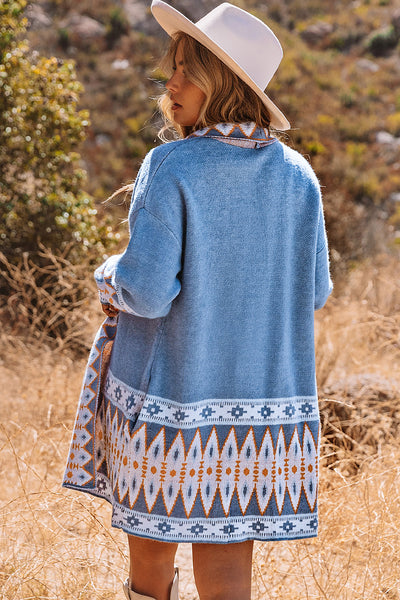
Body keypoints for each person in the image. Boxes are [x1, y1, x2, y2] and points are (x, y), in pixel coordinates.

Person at [62, 1, 333, 599]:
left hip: (168, 406)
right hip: (261, 416)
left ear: (225, 84)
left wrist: (108, 275)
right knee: (229, 569)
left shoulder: (171, 165)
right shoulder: (299, 176)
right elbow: (313, 292)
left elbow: (148, 292)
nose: (171, 83)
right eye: (174, 67)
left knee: (151, 564)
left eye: (188, 70)